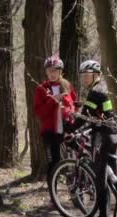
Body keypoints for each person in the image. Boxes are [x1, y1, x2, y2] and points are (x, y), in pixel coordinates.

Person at [70, 60, 117, 217]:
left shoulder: (94, 91)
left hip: (102, 138)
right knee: (112, 177)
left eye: (87, 76)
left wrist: (70, 129)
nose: (84, 79)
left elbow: (85, 115)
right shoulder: (105, 88)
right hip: (113, 136)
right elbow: (99, 110)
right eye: (82, 76)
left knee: (99, 177)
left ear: (95, 75)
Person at [34, 56, 77, 193]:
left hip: (68, 128)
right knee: (55, 162)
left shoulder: (67, 85)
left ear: (60, 71)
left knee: (76, 157)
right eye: (49, 70)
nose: (52, 73)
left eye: (55, 70)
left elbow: (74, 103)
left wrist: (71, 111)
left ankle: (76, 190)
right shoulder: (42, 89)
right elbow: (40, 112)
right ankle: (54, 193)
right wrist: (53, 101)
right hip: (51, 131)